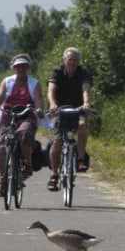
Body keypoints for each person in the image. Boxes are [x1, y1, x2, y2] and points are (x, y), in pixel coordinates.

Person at [0, 53, 44, 197]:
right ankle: (3, 182)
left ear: (28, 68)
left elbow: (38, 99)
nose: (21, 69)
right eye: (18, 67)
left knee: (24, 134)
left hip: (27, 115)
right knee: (0, 147)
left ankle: (27, 165)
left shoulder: (34, 83)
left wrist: (38, 109)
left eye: (24, 66)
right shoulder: (7, 82)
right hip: (8, 116)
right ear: (14, 68)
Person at [47, 47, 92, 191]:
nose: (72, 62)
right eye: (69, 59)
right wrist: (53, 104)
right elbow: (51, 90)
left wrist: (86, 103)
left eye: (75, 60)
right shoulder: (57, 72)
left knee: (82, 126)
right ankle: (54, 175)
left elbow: (85, 89)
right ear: (64, 60)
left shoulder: (83, 73)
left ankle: (80, 159)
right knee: (57, 141)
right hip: (60, 109)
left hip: (78, 109)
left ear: (78, 62)